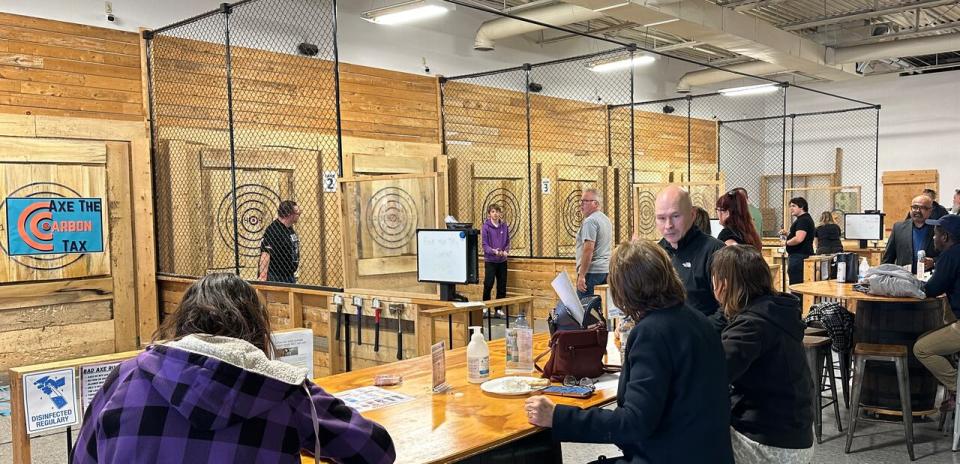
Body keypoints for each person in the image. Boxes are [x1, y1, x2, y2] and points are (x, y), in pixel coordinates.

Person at [74, 273, 396, 464]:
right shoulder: (279, 389)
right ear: (256, 329)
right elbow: (376, 450)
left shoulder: (126, 377)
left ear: (183, 322)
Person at [524, 240, 734, 464]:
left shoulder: (652, 332)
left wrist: (558, 417)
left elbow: (635, 423)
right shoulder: (699, 321)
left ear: (623, 290)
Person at [713, 246, 814, 464]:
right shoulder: (774, 311)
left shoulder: (751, 325)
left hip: (772, 442)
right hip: (797, 433)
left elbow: (712, 376)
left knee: (690, 439)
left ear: (724, 284)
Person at [655, 185, 725, 323]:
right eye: (661, 218)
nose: (668, 225)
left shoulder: (716, 252)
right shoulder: (655, 254)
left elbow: (729, 309)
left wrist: (694, 333)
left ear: (692, 215)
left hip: (704, 339)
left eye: (675, 216)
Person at [912, 215, 960, 411]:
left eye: (936, 233)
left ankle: (957, 389)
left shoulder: (951, 256)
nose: (933, 238)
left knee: (922, 348)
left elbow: (931, 289)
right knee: (931, 337)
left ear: (946, 237)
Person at [883, 194, 939, 274]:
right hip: (904, 279)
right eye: (915, 207)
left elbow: (949, 257)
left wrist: (934, 261)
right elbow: (888, 258)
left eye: (922, 208)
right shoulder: (898, 228)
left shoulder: (938, 229)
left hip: (930, 280)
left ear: (930, 210)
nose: (917, 211)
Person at [575, 188, 613, 299]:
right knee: (600, 308)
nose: (581, 204)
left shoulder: (590, 221)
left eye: (585, 201)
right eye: (581, 201)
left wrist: (582, 275)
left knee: (585, 309)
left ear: (595, 203)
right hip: (604, 271)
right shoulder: (606, 219)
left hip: (591, 272)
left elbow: (588, 249)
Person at [258, 200, 301, 283]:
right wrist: (263, 276)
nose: (299, 214)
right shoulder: (274, 230)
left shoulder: (289, 227)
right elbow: (265, 254)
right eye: (297, 213)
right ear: (289, 214)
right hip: (276, 276)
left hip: (288, 275)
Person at [481, 204, 510, 316]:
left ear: (500, 213)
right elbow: (485, 245)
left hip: (502, 261)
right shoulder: (486, 227)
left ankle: (498, 309)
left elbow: (507, 241)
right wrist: (493, 251)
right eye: (493, 211)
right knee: (488, 284)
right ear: (489, 214)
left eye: (497, 211)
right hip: (490, 260)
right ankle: (485, 307)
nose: (495, 214)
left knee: (502, 285)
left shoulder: (504, 226)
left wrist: (505, 251)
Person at [780, 197, 815, 286]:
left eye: (794, 206)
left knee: (796, 285)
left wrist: (786, 243)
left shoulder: (803, 220)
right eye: (790, 206)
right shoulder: (804, 219)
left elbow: (799, 238)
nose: (791, 208)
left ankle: (797, 300)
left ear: (802, 206)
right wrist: (788, 234)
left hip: (799, 257)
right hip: (800, 256)